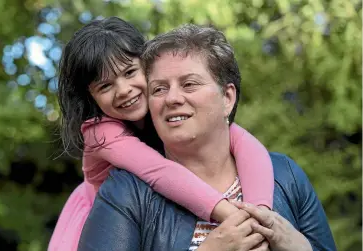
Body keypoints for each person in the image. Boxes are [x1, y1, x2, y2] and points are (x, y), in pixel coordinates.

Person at [77, 24, 337, 250]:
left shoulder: (286, 175)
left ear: (227, 98)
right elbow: (159, 172)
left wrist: (300, 246)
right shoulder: (124, 191)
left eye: (189, 84)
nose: (173, 98)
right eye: (159, 88)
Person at [49, 17, 275, 251]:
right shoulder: (99, 132)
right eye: (105, 86)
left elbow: (242, 140)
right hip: (111, 225)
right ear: (90, 97)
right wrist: (233, 216)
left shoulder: (163, 109)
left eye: (130, 72)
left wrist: (262, 215)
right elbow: (159, 172)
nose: (124, 90)